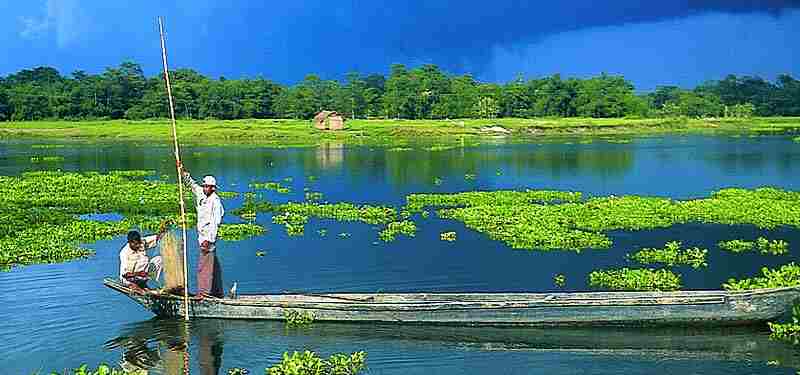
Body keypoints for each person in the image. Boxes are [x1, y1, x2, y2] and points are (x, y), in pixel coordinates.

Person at [177, 161, 225, 298]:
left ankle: (203, 293)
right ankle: (217, 292)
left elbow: (216, 223)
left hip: (208, 239)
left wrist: (209, 240)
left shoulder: (216, 202)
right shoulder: (201, 194)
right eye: (204, 186)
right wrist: (182, 171)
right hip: (202, 237)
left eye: (207, 187)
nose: (204, 188)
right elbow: (191, 184)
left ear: (213, 188)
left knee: (203, 267)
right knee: (212, 266)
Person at [119, 222, 168, 292]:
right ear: (130, 242)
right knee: (137, 288)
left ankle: (147, 282)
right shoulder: (124, 253)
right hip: (129, 279)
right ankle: (140, 288)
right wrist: (139, 273)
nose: (138, 246)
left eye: (139, 243)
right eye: (135, 244)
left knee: (159, 259)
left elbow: (156, 238)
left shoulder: (142, 242)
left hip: (143, 275)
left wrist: (162, 230)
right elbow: (125, 274)